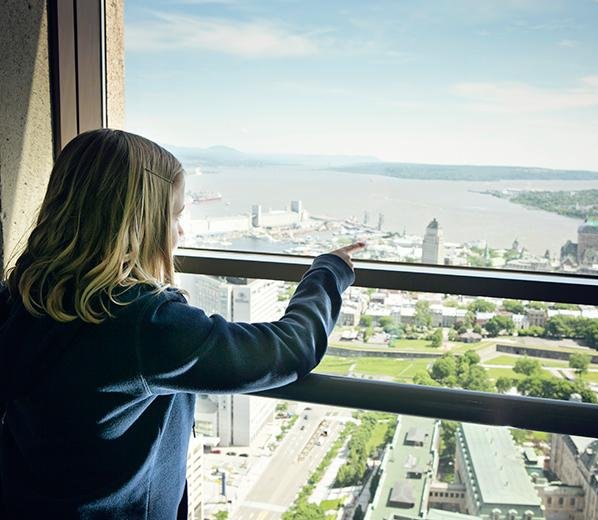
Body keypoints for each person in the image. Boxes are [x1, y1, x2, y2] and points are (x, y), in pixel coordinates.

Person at [0, 128, 365, 518]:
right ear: (141, 222)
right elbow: (290, 349)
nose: (181, 231)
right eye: (174, 215)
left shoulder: (22, 294)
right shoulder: (144, 323)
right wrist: (329, 272)